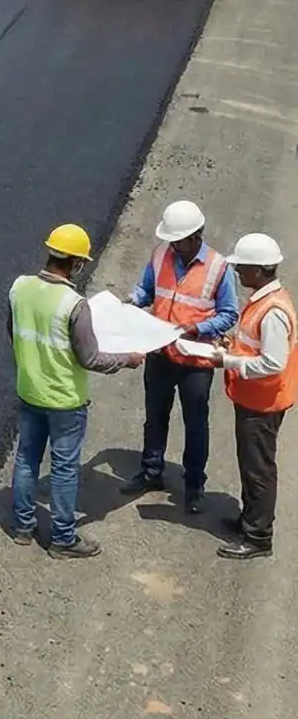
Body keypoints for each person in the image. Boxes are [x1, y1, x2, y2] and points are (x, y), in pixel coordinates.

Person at [9, 223, 146, 557]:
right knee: (64, 469)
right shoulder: (74, 305)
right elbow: (91, 358)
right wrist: (126, 359)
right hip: (65, 402)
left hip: (29, 391)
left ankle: (23, 527)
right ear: (76, 263)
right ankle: (63, 539)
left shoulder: (19, 288)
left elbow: (14, 332)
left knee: (26, 459)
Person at [120, 199, 236, 514]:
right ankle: (151, 471)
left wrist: (195, 328)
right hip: (160, 353)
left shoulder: (218, 267)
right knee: (155, 416)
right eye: (171, 240)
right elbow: (146, 291)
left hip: (195, 362)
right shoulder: (161, 255)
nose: (173, 245)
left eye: (178, 241)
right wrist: (130, 301)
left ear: (196, 236)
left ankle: (194, 485)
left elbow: (229, 314)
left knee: (195, 424)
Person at [198, 233, 297, 561]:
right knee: (251, 464)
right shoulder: (264, 300)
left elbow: (272, 363)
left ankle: (258, 537)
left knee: (258, 469)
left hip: (263, 403)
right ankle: (250, 519)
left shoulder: (272, 311)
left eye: (242, 267)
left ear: (259, 269)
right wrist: (231, 345)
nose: (237, 272)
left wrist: (227, 361)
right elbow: (253, 345)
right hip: (255, 399)